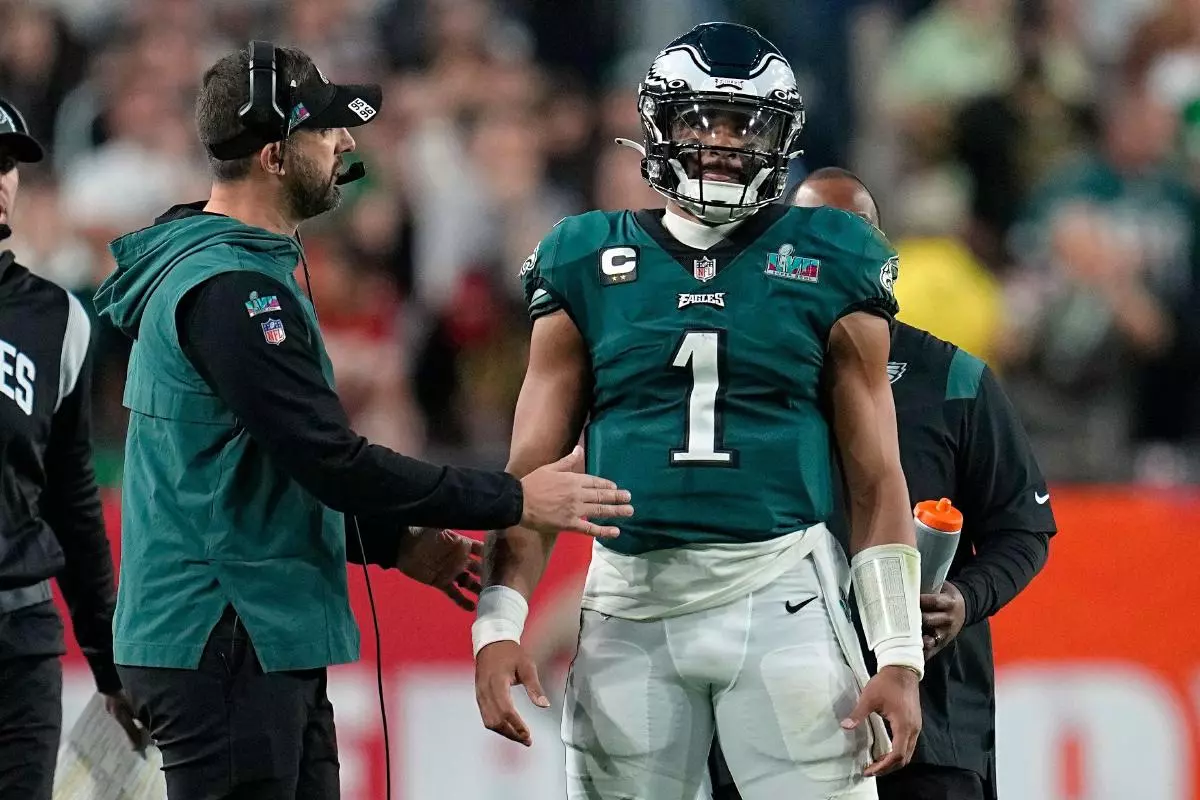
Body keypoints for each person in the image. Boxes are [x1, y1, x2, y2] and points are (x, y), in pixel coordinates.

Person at [92, 43, 633, 800]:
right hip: (224, 633)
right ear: (276, 156)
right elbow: (328, 460)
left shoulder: (228, 270)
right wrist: (514, 499)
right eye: (328, 131)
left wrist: (389, 542)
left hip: (242, 632)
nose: (348, 143)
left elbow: (263, 473)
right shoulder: (232, 291)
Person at [473, 23, 924, 800]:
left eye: (745, 123)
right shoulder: (584, 255)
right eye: (701, 119)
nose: (720, 141)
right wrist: (499, 623)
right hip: (627, 604)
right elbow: (533, 473)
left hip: (781, 592)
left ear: (780, 137)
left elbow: (878, 477)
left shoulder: (830, 255)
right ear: (658, 125)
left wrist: (899, 653)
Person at [707, 167, 1058, 800]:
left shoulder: (954, 380)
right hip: (770, 721)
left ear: (881, 251)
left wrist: (964, 599)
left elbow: (1022, 529)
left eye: (850, 233)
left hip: (931, 722)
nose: (829, 251)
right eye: (809, 234)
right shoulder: (734, 379)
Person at [0, 96, 146, 799]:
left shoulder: (55, 318)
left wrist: (111, 666)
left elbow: (72, 501)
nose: (1, 179)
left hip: (19, 643)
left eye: (7, 165)